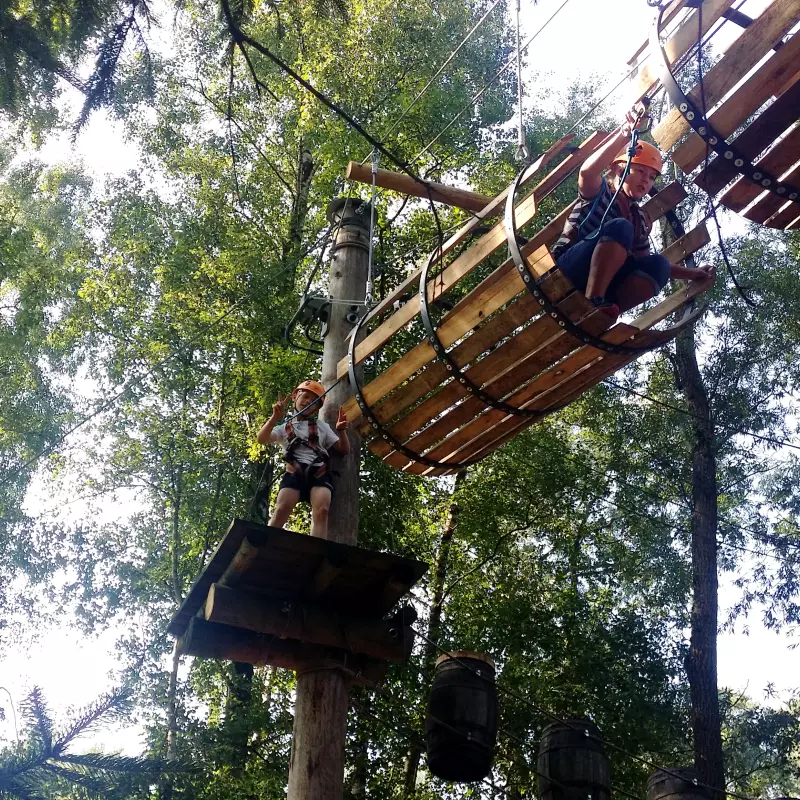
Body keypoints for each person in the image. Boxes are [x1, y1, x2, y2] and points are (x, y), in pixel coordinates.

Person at [552, 105, 716, 321]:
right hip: (567, 269)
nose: (645, 181)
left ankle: (605, 313)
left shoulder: (639, 220)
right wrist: (625, 133)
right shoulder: (599, 194)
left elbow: (644, 261)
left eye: (651, 178)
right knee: (620, 227)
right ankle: (594, 302)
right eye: (640, 172)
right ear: (620, 170)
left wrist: (693, 274)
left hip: (601, 282)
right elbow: (587, 172)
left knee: (659, 265)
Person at [256, 379, 350, 538]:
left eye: (313, 401)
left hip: (319, 473)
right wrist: (274, 418)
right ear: (295, 396)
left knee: (322, 512)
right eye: (304, 396)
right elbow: (262, 438)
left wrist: (341, 431)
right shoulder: (284, 428)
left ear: (317, 408)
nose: (308, 401)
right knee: (281, 509)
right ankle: (266, 542)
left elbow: (343, 449)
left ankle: (316, 550)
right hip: (294, 474)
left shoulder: (322, 426)